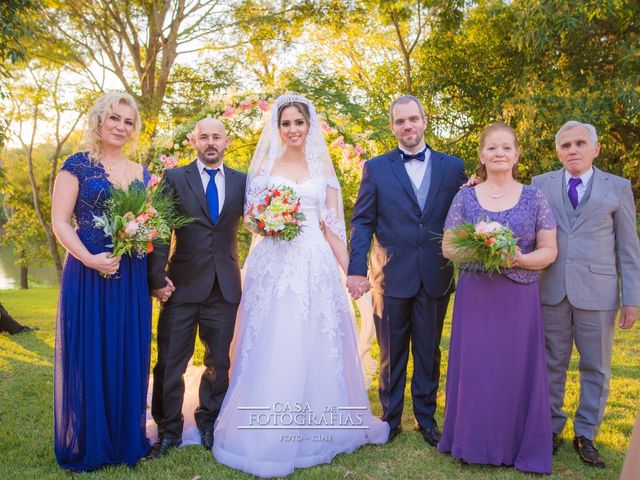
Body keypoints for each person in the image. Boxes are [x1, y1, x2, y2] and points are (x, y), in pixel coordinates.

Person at [212, 93, 389, 478]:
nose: (293, 129)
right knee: (273, 337)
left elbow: (332, 228)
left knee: (313, 338)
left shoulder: (322, 171)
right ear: (277, 128)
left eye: (299, 123)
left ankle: (318, 426)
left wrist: (352, 273)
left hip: (313, 263)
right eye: (286, 123)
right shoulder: (264, 168)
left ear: (309, 127)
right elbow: (249, 219)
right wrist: (269, 221)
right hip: (273, 262)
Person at [347, 95, 467, 445]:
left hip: (435, 272)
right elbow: (363, 220)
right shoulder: (377, 167)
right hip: (390, 273)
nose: (407, 126)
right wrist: (357, 270)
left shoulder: (452, 167)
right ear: (393, 127)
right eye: (400, 122)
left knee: (429, 351)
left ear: (424, 120)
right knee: (391, 351)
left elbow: (462, 212)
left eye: (412, 119)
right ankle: (390, 418)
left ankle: (427, 420)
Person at [438, 122, 557, 474]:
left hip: (519, 297)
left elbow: (549, 251)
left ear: (517, 154)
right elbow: (447, 247)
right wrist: (482, 248)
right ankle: (473, 442)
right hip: (477, 298)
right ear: (481, 155)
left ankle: (517, 443)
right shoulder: (464, 197)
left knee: (516, 369)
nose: (500, 153)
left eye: (506, 147)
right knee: (477, 368)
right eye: (492, 148)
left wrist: (517, 258)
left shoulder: (535, 197)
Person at [51, 92, 152, 471]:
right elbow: (61, 222)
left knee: (127, 350)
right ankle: (92, 441)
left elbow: (147, 223)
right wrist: (90, 258)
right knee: (91, 352)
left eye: (128, 122)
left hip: (130, 276)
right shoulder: (77, 166)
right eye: (114, 119)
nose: (121, 127)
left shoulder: (141, 173)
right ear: (99, 121)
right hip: (88, 270)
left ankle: (126, 437)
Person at [532, 120, 640, 468]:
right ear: (558, 151)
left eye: (580, 143)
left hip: (599, 291)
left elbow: (628, 248)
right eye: (565, 145)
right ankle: (550, 428)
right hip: (551, 290)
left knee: (596, 366)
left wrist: (632, 298)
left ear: (596, 149)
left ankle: (586, 433)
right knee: (552, 363)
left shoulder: (618, 187)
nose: (573, 150)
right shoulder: (539, 185)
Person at [145, 118, 246, 458]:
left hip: (225, 287)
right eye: (204, 137)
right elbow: (159, 229)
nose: (210, 142)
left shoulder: (243, 182)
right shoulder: (174, 179)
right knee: (171, 362)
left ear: (227, 141)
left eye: (216, 136)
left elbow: (262, 221)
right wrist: (156, 278)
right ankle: (169, 430)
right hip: (181, 287)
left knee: (219, 362)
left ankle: (209, 422)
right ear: (194, 141)